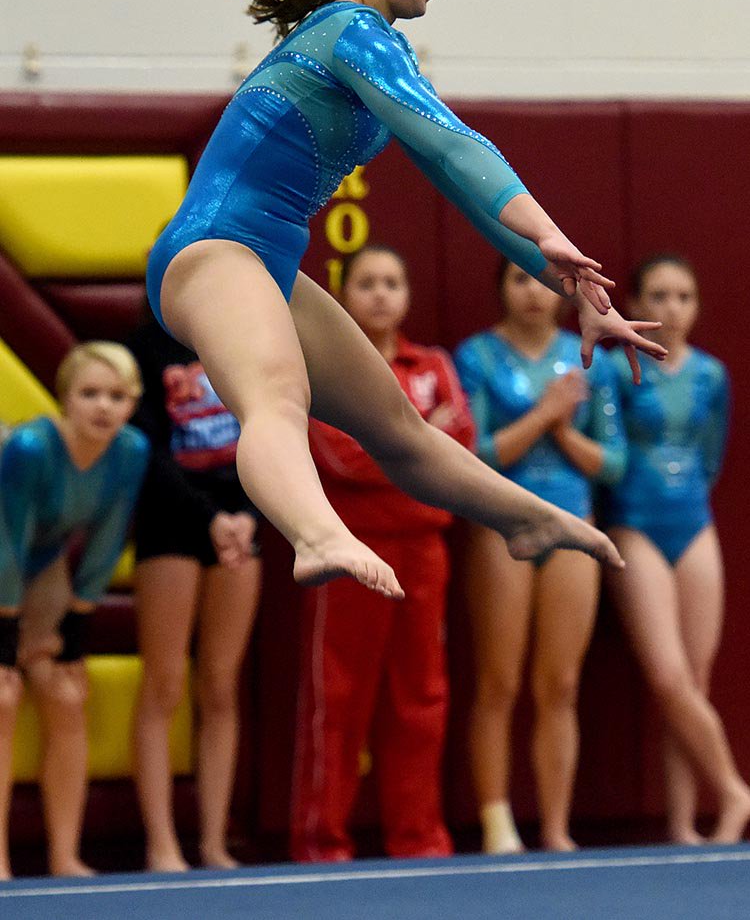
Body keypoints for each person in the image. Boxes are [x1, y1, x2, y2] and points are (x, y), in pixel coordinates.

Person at [145, 0, 667, 605]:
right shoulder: (349, 29)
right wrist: (548, 233)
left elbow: (457, 180)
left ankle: (524, 519)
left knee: (397, 425)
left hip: (266, 263)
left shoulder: (373, 44)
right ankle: (315, 534)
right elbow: (457, 146)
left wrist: (577, 292)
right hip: (212, 252)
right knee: (276, 396)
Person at [291, 244, 474, 862]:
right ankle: (321, 843)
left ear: (408, 295)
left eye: (392, 282)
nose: (380, 293)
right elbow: (338, 456)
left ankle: (418, 839)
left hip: (424, 550)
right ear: (344, 294)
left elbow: (463, 443)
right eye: (367, 282)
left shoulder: (434, 364)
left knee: (423, 697)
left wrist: (393, 443)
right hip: (350, 551)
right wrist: (422, 436)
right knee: (338, 699)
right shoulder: (323, 366)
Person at [454, 260, 626, 853]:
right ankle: (497, 824)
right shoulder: (477, 356)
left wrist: (563, 431)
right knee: (498, 680)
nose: (533, 291)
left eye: (543, 281)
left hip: (572, 523)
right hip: (503, 524)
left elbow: (614, 464)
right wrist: (546, 415)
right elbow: (471, 455)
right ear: (501, 287)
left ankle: (556, 829)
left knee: (560, 684)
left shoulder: (590, 359)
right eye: (519, 279)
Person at [605, 255, 750, 844]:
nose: (672, 308)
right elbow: (610, 455)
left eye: (684, 296)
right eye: (659, 296)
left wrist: (685, 497)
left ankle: (683, 827)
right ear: (635, 305)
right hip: (634, 523)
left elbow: (711, 456)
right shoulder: (616, 367)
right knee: (668, 677)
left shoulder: (712, 375)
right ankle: (735, 791)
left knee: (695, 681)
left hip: (693, 523)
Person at [0, 342, 149, 879]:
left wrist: (77, 627)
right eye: (89, 394)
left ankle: (65, 856)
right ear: (64, 398)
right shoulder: (31, 448)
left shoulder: (130, 451)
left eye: (116, 396)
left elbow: (107, 539)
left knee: (66, 695)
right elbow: (6, 542)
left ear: (133, 403)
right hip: (5, 558)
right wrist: (6, 642)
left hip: (42, 563)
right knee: (1, 699)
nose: (103, 407)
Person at [126, 303, 262, 872]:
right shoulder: (143, 349)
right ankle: (161, 843)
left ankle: (212, 842)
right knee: (163, 684)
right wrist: (208, 517)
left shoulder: (243, 339)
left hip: (239, 522)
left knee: (221, 685)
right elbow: (146, 448)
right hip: (171, 522)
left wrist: (251, 512)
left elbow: (268, 429)